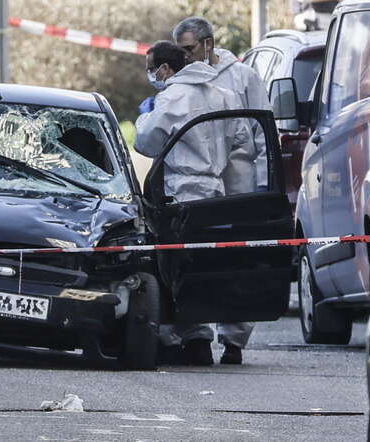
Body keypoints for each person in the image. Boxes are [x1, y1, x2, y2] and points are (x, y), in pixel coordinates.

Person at [135, 41, 253, 365]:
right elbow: (244, 138)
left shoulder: (173, 96)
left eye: (151, 67)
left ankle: (196, 340)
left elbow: (145, 143)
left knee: (180, 269)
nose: (151, 74)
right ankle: (229, 342)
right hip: (218, 192)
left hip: (182, 194)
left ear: (164, 69)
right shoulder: (223, 93)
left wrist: (146, 118)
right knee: (211, 268)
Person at [172, 16, 273, 365]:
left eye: (190, 49)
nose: (186, 57)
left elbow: (262, 130)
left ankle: (234, 340)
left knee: (236, 255)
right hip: (199, 177)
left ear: (209, 44)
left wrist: (263, 186)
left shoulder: (243, 77)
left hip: (238, 176)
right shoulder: (180, 82)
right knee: (195, 256)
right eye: (181, 52)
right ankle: (196, 336)